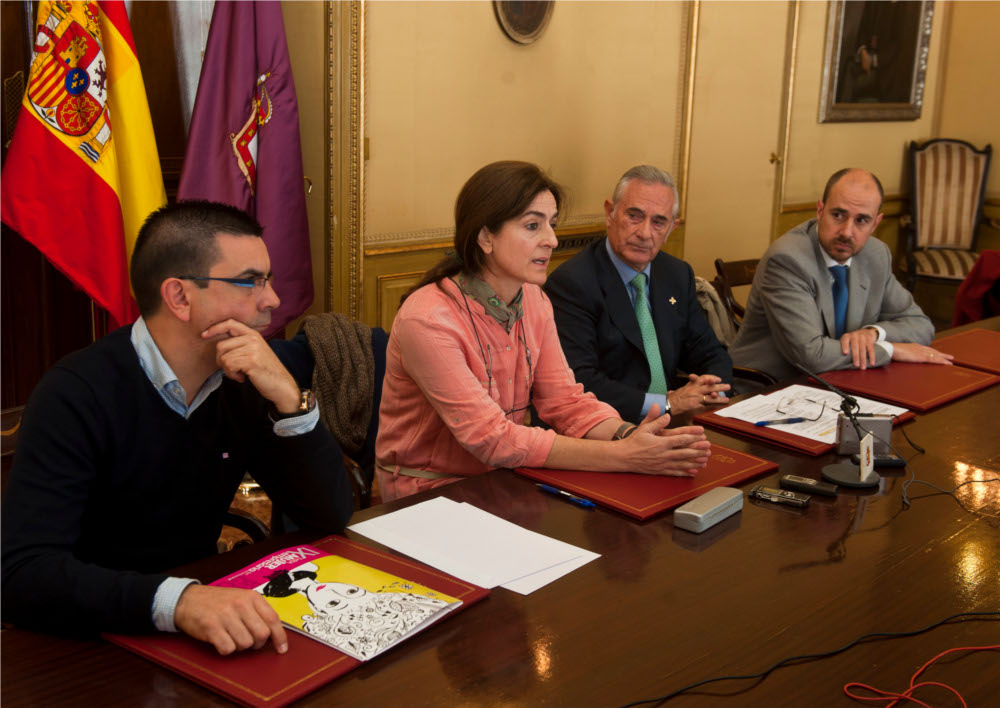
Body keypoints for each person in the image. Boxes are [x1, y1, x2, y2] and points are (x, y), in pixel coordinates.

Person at [1, 201, 354, 655]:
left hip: (203, 628)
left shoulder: (246, 379)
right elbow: (22, 573)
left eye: (267, 279)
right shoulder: (75, 393)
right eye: (250, 281)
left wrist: (291, 401)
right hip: (90, 637)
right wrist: (179, 602)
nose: (273, 300)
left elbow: (328, 517)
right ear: (180, 297)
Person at [375, 161, 712, 501]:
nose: (551, 240)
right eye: (533, 226)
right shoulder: (429, 319)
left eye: (552, 224)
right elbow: (492, 438)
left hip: (504, 476)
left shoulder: (534, 299)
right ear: (485, 237)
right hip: (427, 492)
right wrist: (623, 456)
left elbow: (565, 402)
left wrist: (631, 436)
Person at [544, 165, 732, 424]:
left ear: (671, 228)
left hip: (672, 422)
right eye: (634, 216)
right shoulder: (572, 283)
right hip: (607, 426)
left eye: (658, 222)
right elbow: (581, 381)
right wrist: (666, 404)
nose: (645, 233)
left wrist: (711, 392)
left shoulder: (677, 274)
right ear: (610, 213)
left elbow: (710, 353)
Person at [729, 168, 953, 380]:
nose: (846, 232)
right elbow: (812, 356)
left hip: (840, 380)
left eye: (861, 220)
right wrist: (890, 349)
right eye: (838, 215)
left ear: (875, 223)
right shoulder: (788, 260)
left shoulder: (876, 255)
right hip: (768, 387)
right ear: (820, 210)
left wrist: (873, 333)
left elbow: (920, 325)